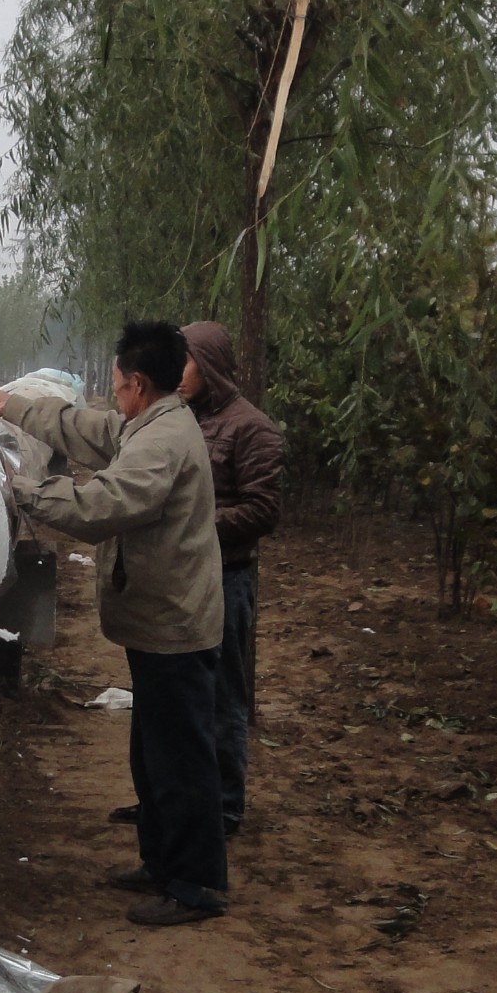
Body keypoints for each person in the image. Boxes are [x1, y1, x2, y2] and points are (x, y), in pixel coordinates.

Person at [0, 321, 228, 926]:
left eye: (116, 383)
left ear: (138, 384)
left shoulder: (162, 443)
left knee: (181, 757)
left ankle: (195, 885)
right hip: (159, 619)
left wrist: (26, 493)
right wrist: (15, 407)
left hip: (176, 624)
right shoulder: (151, 422)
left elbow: (104, 503)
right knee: (154, 750)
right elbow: (90, 429)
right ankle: (161, 861)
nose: (112, 394)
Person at [180, 320, 283, 833]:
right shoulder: (183, 420)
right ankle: (181, 798)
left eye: (184, 361)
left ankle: (224, 806)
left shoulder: (251, 428)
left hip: (226, 578)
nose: (176, 373)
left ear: (209, 365)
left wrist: (194, 524)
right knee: (183, 696)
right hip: (185, 579)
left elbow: (263, 510)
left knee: (223, 698)